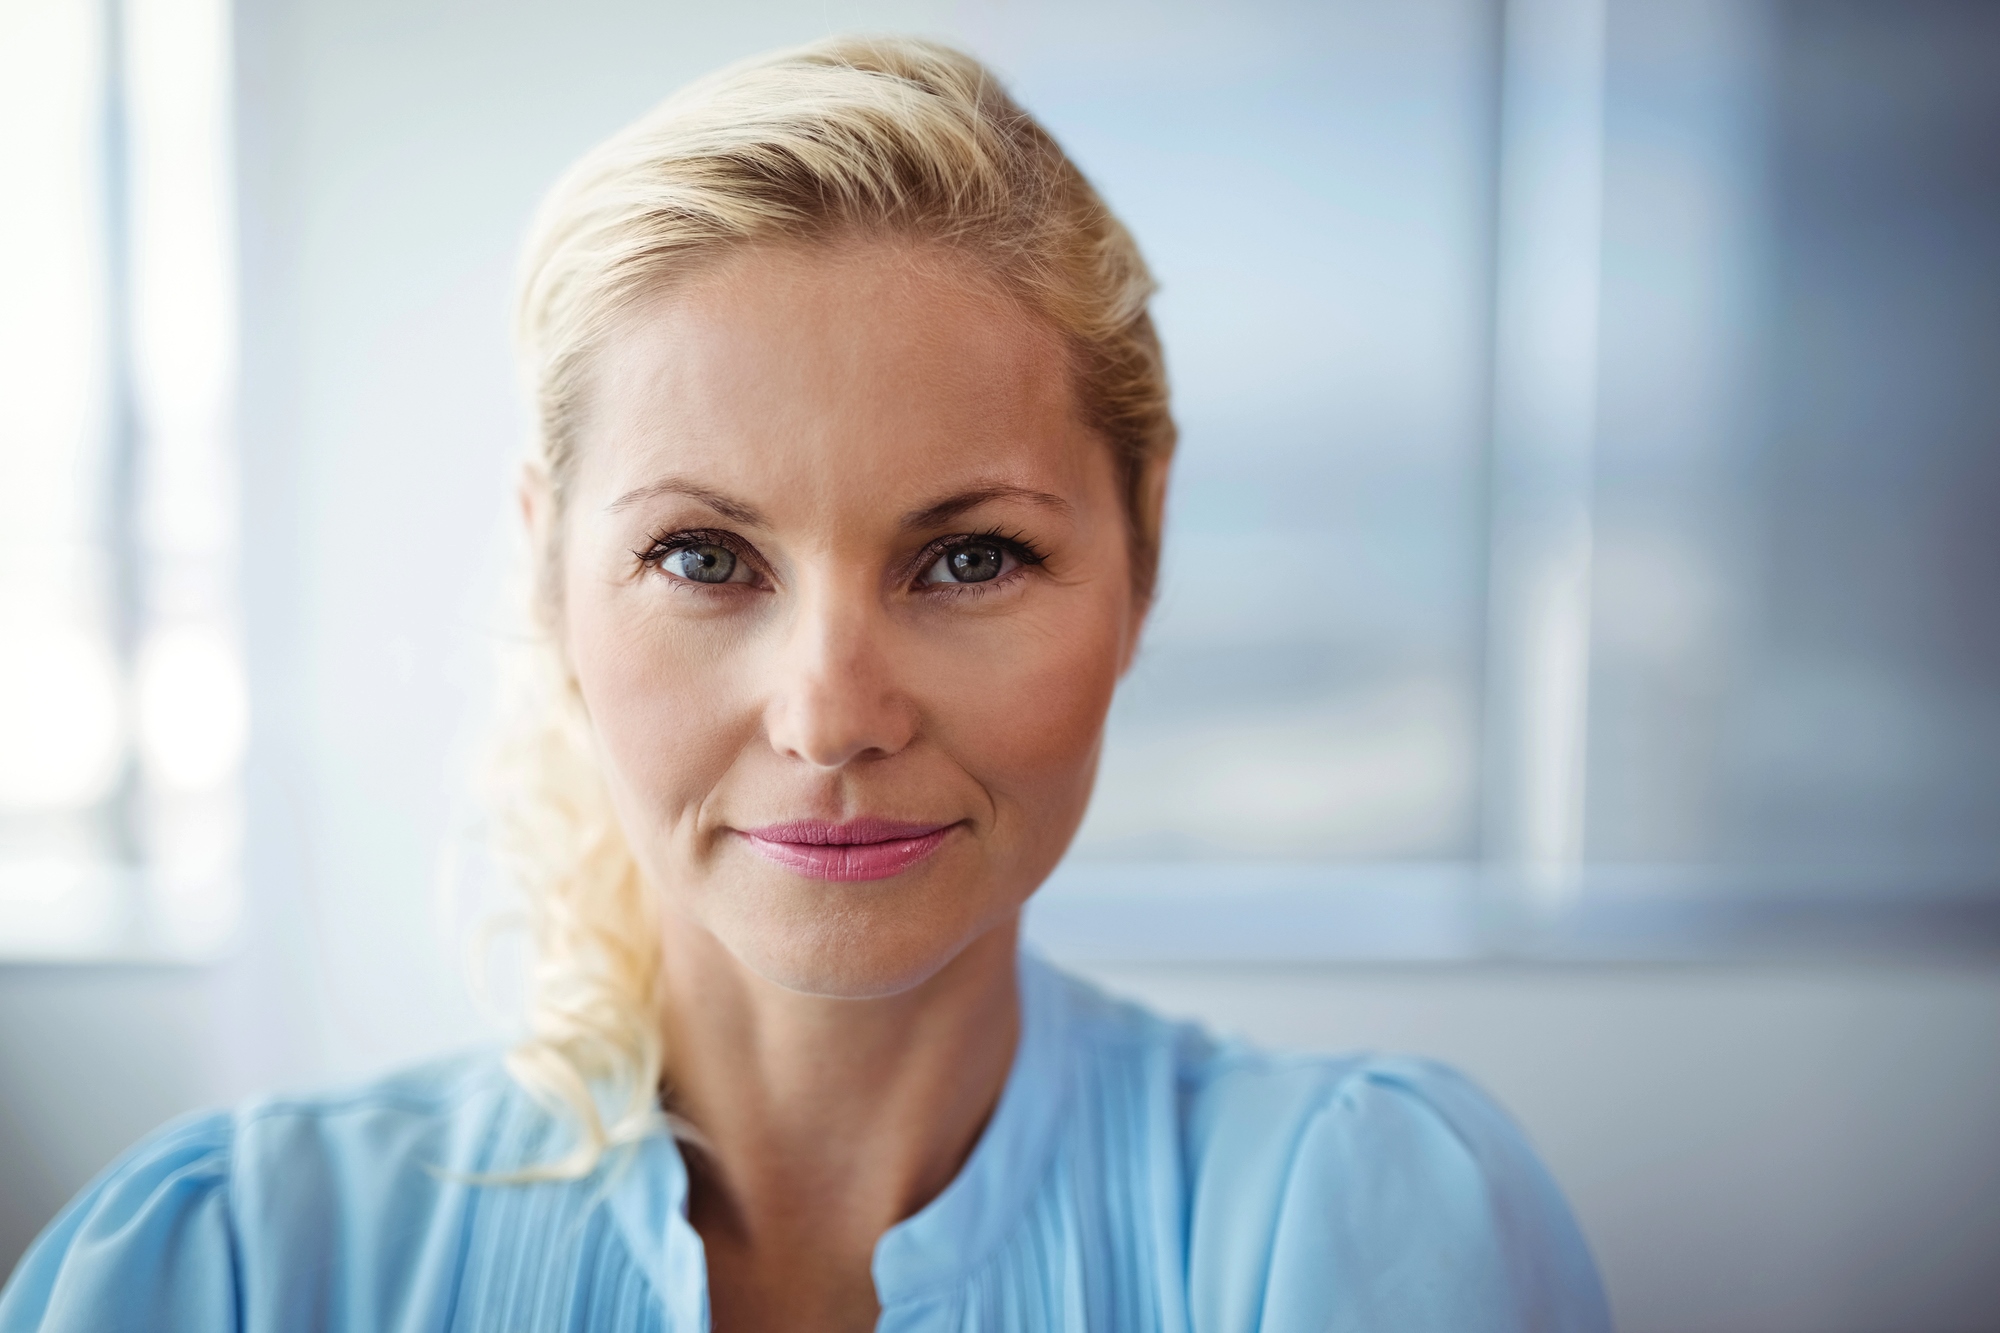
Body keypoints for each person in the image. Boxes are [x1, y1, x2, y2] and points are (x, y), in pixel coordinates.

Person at [0, 36, 1611, 1333]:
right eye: (706, 558)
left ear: (1146, 545)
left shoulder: (1355, 1230)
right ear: (550, 575)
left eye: (970, 556)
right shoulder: (229, 1272)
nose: (832, 713)